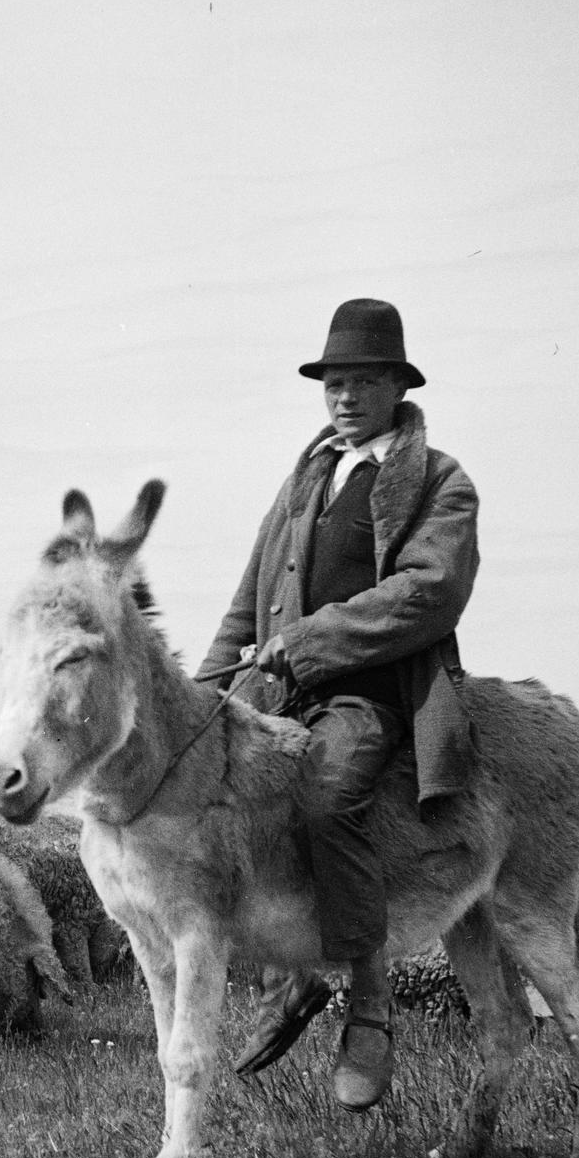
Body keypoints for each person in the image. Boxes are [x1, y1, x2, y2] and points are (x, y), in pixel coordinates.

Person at [197, 298, 480, 1111]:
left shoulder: (436, 478)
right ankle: (287, 980)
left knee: (324, 799)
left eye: (361, 382)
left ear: (396, 385)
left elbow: (430, 592)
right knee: (226, 807)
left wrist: (315, 639)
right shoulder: (307, 474)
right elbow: (249, 594)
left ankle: (369, 1007)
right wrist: (206, 693)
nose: (344, 398)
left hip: (372, 690)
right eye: (333, 384)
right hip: (276, 691)